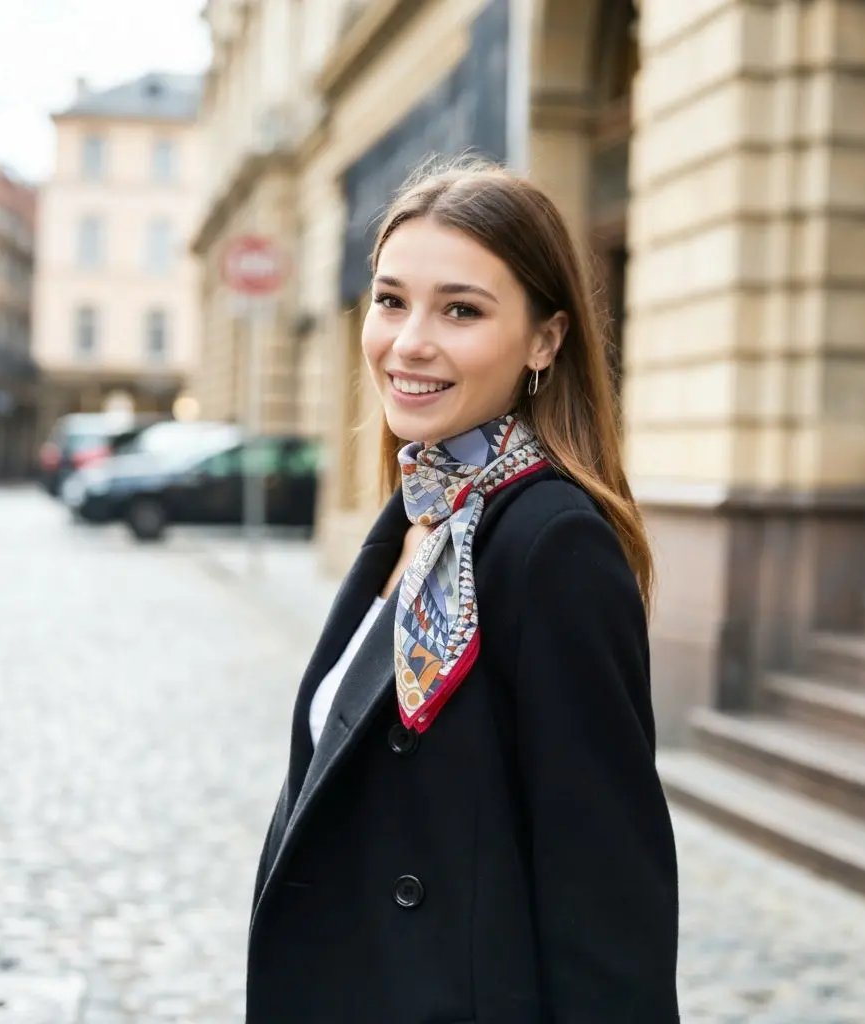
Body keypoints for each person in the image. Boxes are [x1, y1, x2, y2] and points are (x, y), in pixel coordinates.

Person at [245, 160, 680, 1023]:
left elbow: (608, 895)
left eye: (462, 310)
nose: (408, 342)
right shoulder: (418, 519)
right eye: (391, 299)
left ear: (545, 340)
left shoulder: (553, 545)